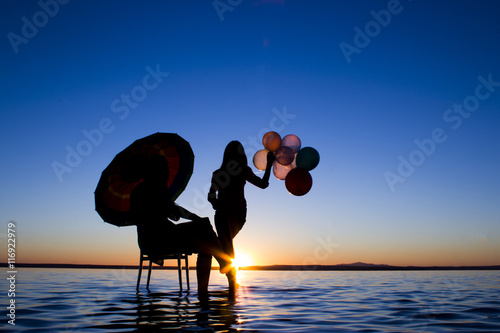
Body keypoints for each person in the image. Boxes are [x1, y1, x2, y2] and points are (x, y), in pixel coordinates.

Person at [130, 155, 232, 299]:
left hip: (163, 237)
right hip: (157, 240)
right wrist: (195, 219)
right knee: (205, 230)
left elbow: (173, 211)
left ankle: (205, 290)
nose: (166, 173)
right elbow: (169, 212)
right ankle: (220, 268)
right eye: (164, 170)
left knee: (206, 241)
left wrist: (194, 218)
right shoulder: (146, 190)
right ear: (156, 171)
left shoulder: (154, 190)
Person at [208, 141, 275, 288]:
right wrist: (269, 164)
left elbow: (211, 197)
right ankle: (231, 280)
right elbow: (263, 184)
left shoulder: (221, 174)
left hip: (228, 213)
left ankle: (227, 271)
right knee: (226, 244)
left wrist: (216, 204)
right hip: (235, 213)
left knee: (223, 244)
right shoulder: (242, 171)